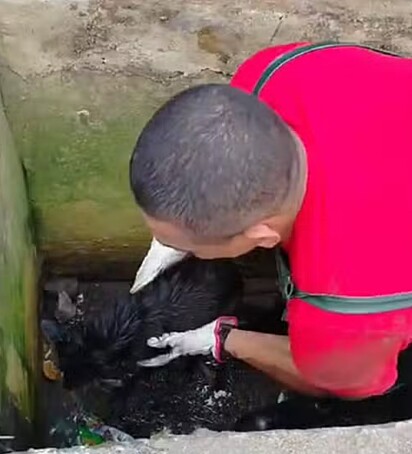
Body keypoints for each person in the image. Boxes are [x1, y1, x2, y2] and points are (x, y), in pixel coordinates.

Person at [128, 41, 412, 399]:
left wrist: (225, 339)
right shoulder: (271, 75)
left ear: (262, 235)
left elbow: (337, 383)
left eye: (187, 247)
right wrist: (179, 233)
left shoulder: (342, 310)